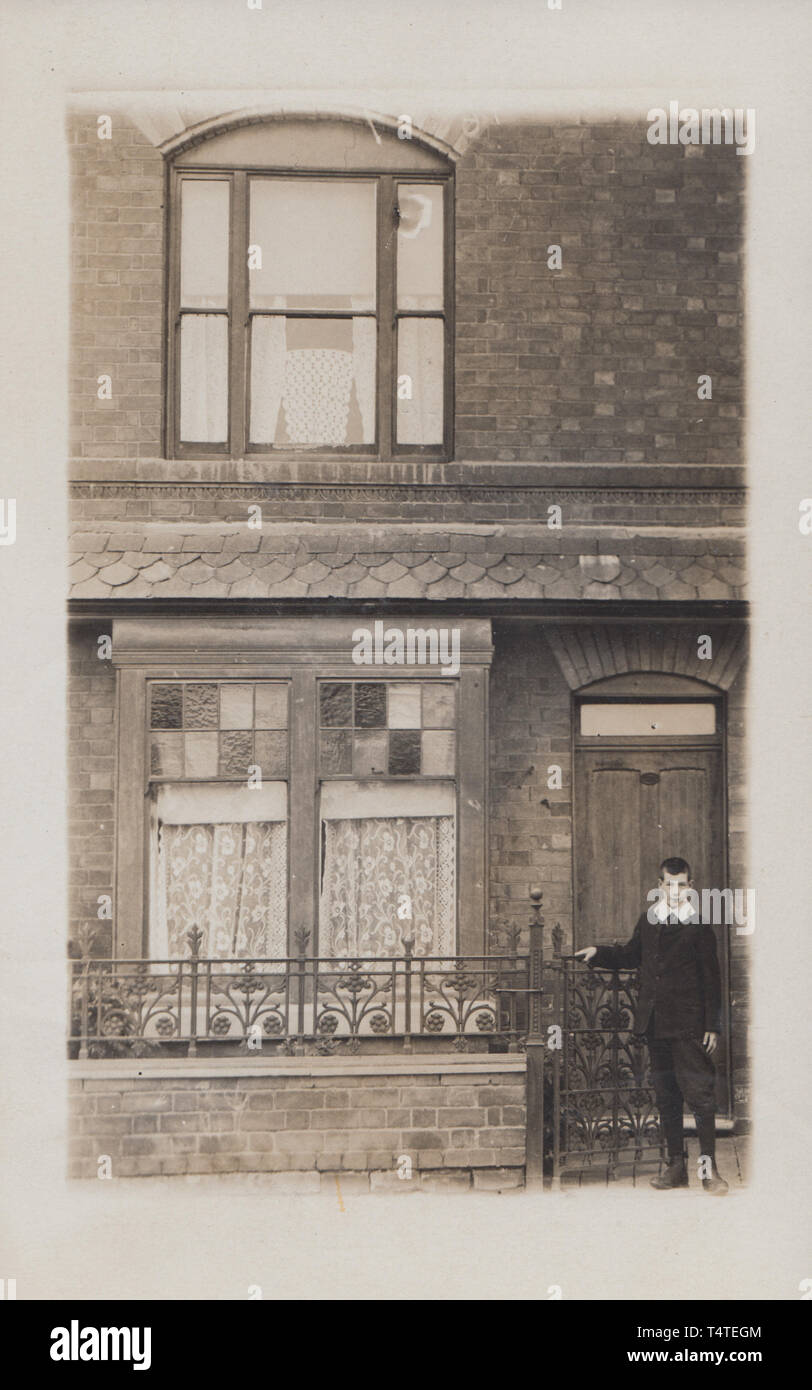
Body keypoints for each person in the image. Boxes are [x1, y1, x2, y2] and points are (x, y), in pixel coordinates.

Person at [574, 857, 728, 1195]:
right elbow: (630, 956)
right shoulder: (649, 921)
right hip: (655, 1024)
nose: (675, 891)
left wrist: (712, 1027)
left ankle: (708, 1170)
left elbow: (712, 981)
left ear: (690, 887)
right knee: (666, 1097)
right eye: (669, 885)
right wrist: (598, 952)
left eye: (682, 885)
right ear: (659, 886)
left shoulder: (700, 927)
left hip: (689, 1026)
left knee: (700, 1098)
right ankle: (676, 1167)